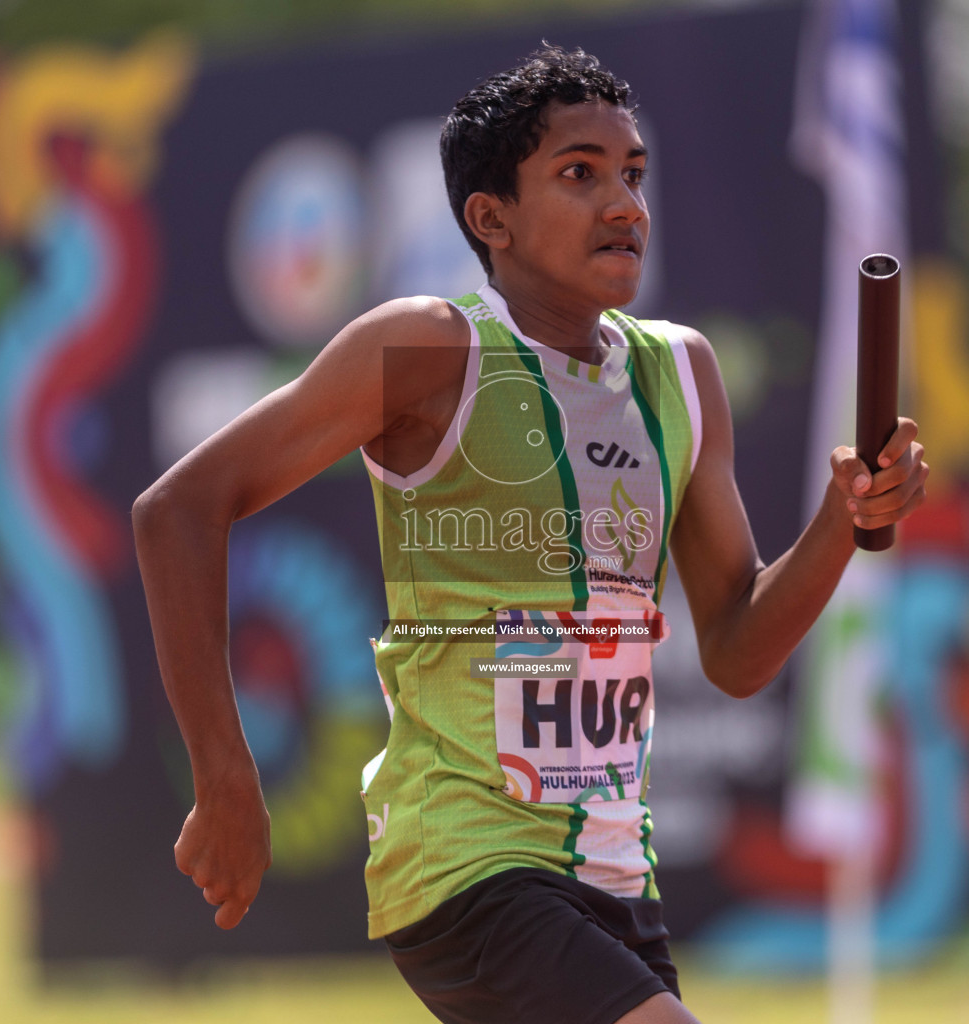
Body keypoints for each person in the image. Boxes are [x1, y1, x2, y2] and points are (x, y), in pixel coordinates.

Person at [133, 44, 928, 1024]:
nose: (625, 203)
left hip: (612, 871)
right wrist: (225, 777)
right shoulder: (428, 349)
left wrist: (845, 524)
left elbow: (735, 646)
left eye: (633, 173)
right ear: (490, 217)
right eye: (580, 174)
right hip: (465, 863)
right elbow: (176, 510)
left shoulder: (680, 373)